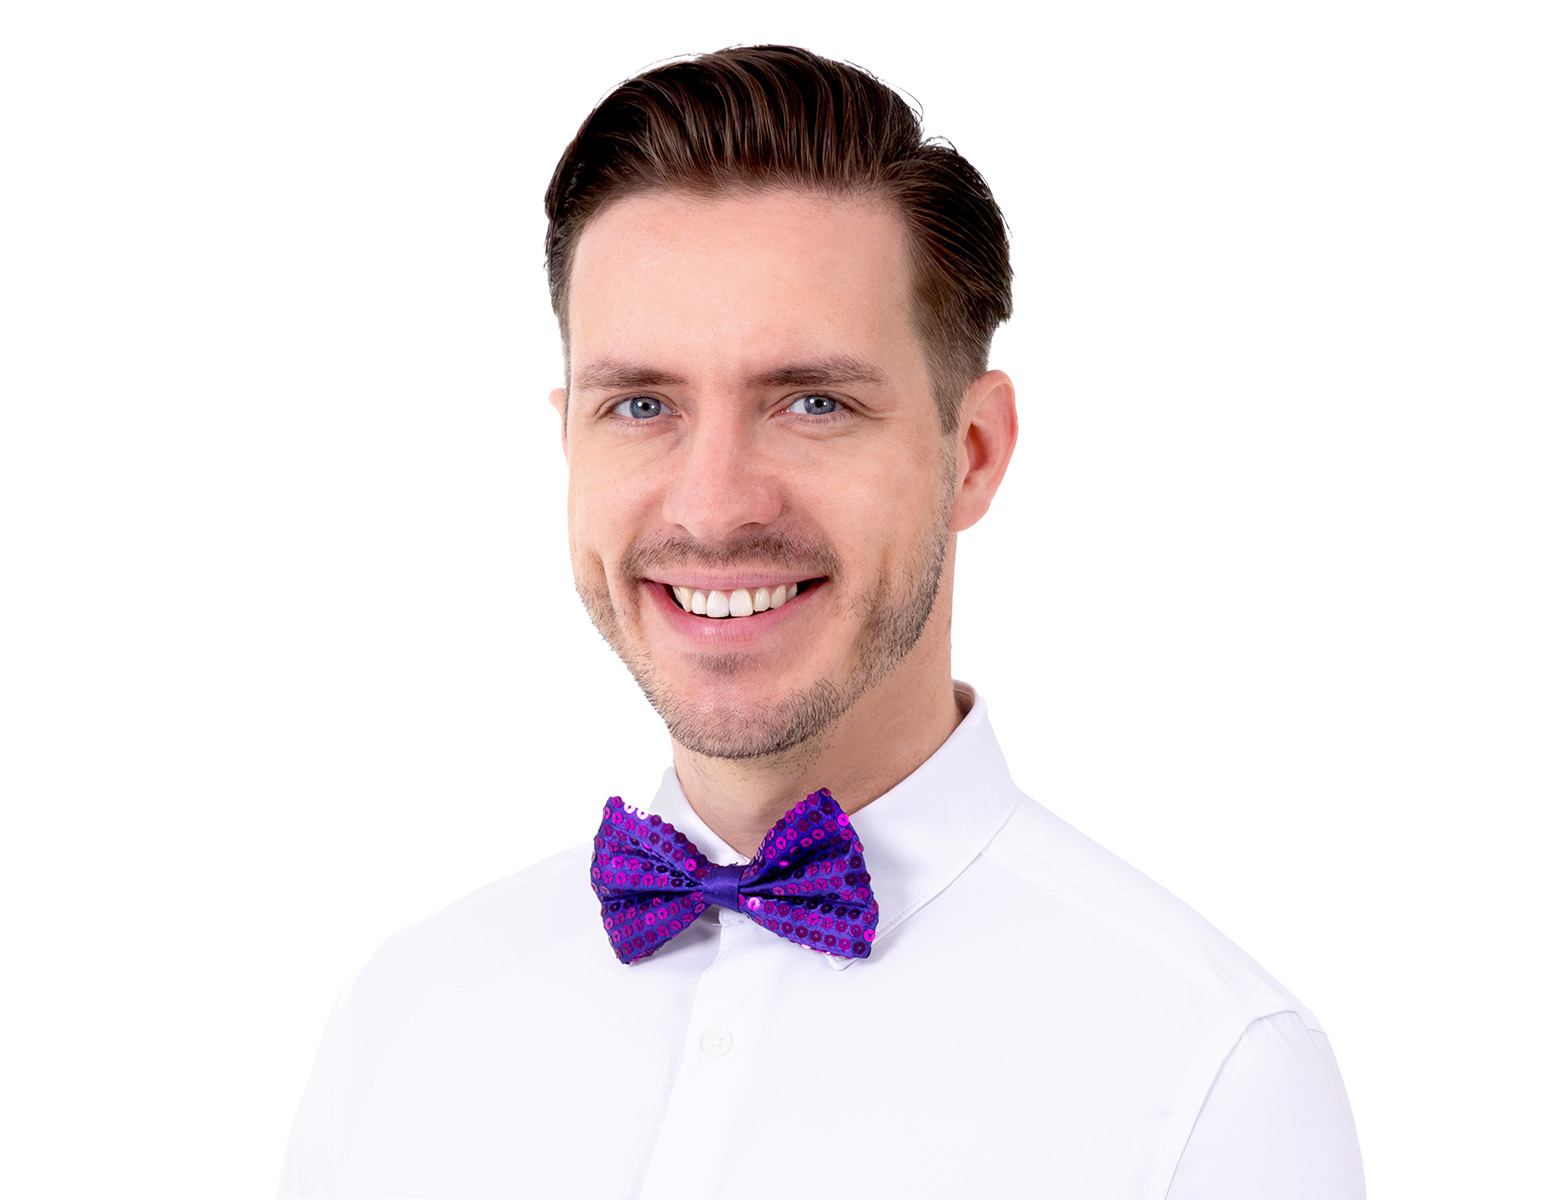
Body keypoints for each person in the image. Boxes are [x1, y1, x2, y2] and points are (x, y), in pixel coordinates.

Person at [281, 44, 1364, 1199]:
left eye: (812, 403)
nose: (712, 507)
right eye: (639, 405)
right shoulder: (400, 1024)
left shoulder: (1213, 1077)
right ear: (567, 444)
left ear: (972, 452)